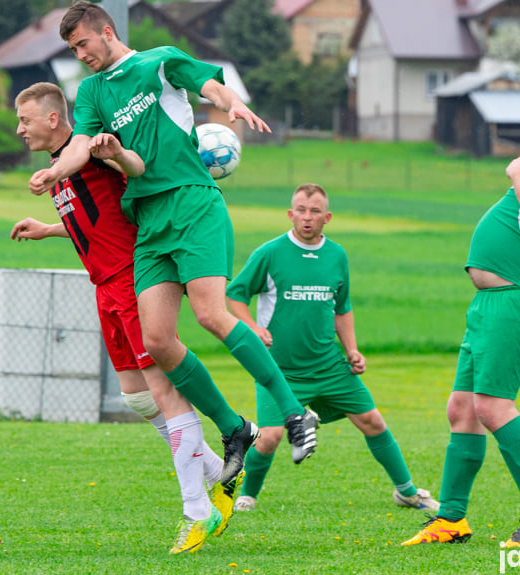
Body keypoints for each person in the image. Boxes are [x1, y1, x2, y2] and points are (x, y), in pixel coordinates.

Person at [28, 1, 320, 540]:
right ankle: (234, 430)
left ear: (106, 33)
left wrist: (233, 106)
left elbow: (212, 88)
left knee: (211, 314)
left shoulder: (159, 61)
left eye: (81, 45)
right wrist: (55, 170)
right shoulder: (92, 94)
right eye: (72, 50)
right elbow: (78, 149)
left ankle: (294, 411)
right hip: (148, 217)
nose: (79, 55)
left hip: (191, 201)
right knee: (160, 340)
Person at [11, 82, 241, 554]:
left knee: (165, 394)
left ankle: (198, 510)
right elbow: (97, 218)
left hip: (132, 280)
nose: (20, 130)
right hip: (104, 287)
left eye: (25, 120)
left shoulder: (90, 152)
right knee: (137, 398)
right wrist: (49, 230)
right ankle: (218, 472)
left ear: (53, 120)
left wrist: (117, 153)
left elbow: (133, 175)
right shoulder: (64, 168)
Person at [403, 92, 520, 548]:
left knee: (491, 406)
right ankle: (450, 519)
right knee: (463, 408)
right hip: (497, 302)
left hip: (515, 302)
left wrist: (516, 170)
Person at [225, 183, 440, 514]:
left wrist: (352, 350)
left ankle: (407, 492)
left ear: (327, 217)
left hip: (328, 365)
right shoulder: (270, 253)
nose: (307, 218)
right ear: (290, 214)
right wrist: (253, 328)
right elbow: (234, 295)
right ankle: (247, 496)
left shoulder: (337, 255)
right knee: (269, 438)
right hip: (278, 370)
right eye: (300, 210)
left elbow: (342, 308)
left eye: (314, 212)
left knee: (372, 421)